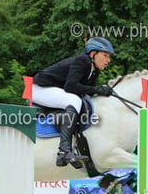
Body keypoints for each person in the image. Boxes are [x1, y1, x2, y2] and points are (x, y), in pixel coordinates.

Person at [32, 37, 115, 168]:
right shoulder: (82, 61)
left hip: (52, 89)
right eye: (105, 55)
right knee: (74, 100)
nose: (108, 60)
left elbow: (87, 91)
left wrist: (102, 90)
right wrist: (97, 89)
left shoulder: (94, 70)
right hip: (39, 88)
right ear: (93, 54)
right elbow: (70, 87)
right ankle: (64, 150)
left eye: (109, 57)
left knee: (80, 100)